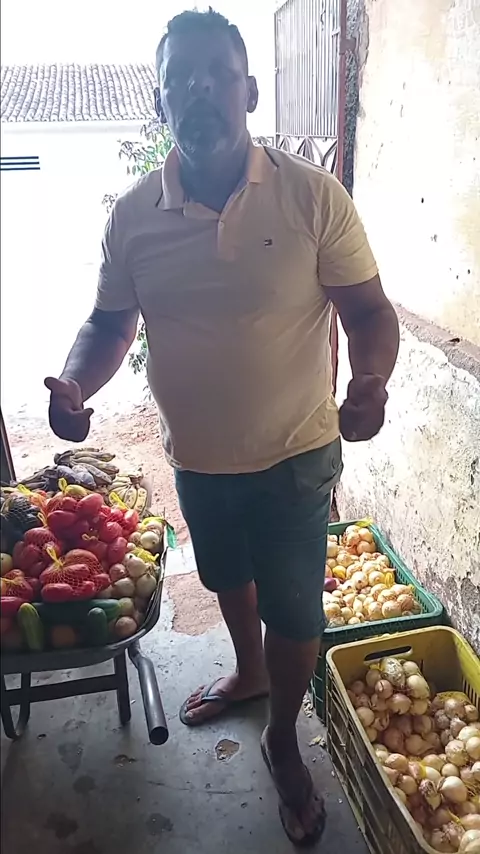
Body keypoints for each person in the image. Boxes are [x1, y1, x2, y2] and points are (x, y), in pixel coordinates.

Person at [45, 9, 399, 847]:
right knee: (226, 579)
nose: (198, 87)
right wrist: (76, 381)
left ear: (250, 91)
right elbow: (109, 323)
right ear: (160, 99)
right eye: (180, 76)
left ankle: (282, 737)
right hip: (200, 458)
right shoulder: (134, 215)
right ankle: (245, 670)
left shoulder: (312, 196)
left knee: (296, 612)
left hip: (296, 454)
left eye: (217, 73)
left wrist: (371, 381)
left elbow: (368, 311)